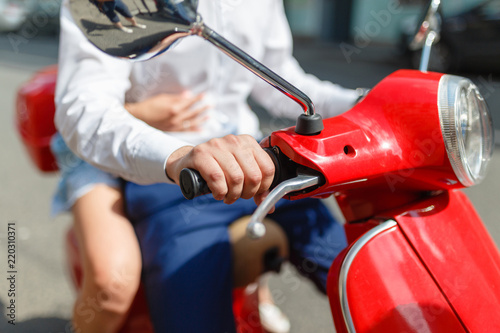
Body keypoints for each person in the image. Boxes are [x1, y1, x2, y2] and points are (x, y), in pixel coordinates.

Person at [55, 0, 360, 332]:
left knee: (364, 273)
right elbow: (84, 105)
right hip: (175, 177)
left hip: (260, 161)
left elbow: (277, 74)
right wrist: (176, 157)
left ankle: (260, 296)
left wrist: (363, 101)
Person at [51, 91, 209, 333]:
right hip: (103, 148)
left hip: (206, 147)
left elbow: (272, 73)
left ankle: (258, 295)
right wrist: (139, 114)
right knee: (112, 283)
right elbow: (81, 109)